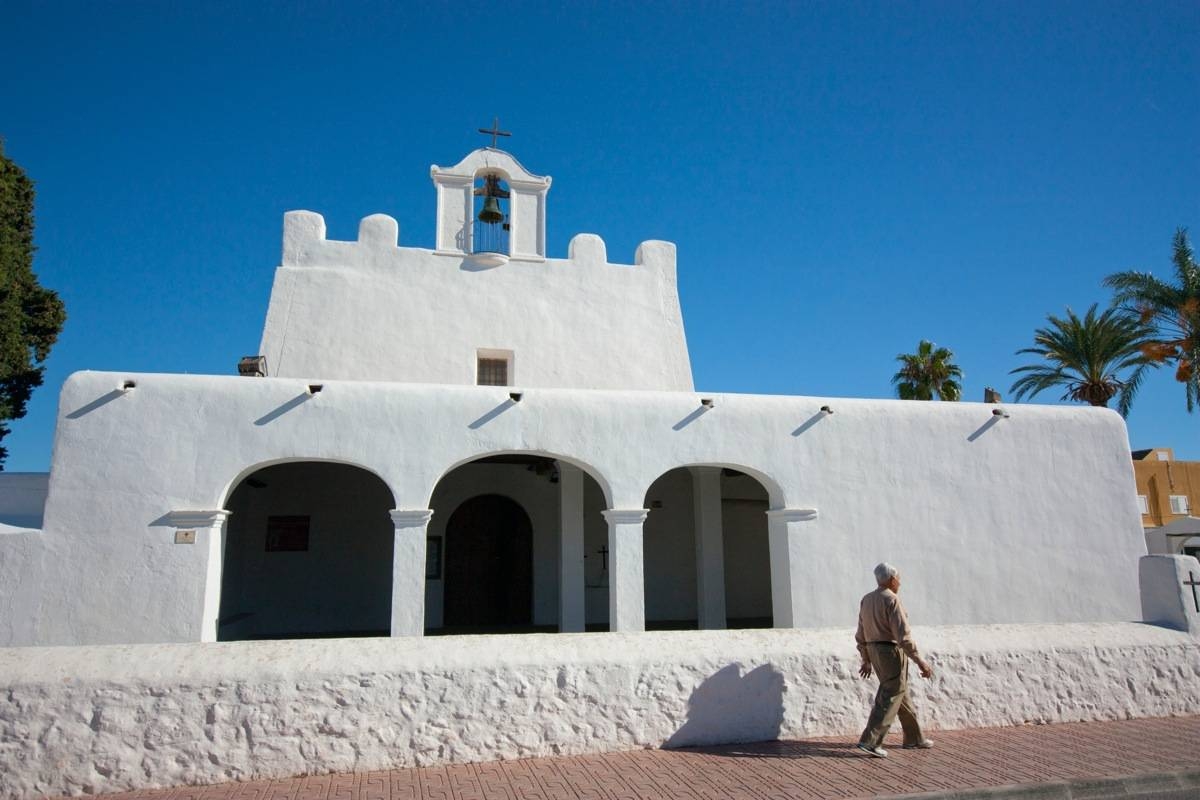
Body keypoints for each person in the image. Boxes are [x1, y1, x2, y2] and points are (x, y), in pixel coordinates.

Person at [854, 562, 934, 758]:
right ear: (891, 579)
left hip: (874, 651)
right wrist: (920, 661)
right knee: (890, 694)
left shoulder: (867, 599)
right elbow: (903, 636)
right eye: (898, 579)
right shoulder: (892, 599)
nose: (900, 582)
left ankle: (914, 738)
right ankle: (870, 741)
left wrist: (866, 658)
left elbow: (860, 633)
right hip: (890, 652)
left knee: (900, 692)